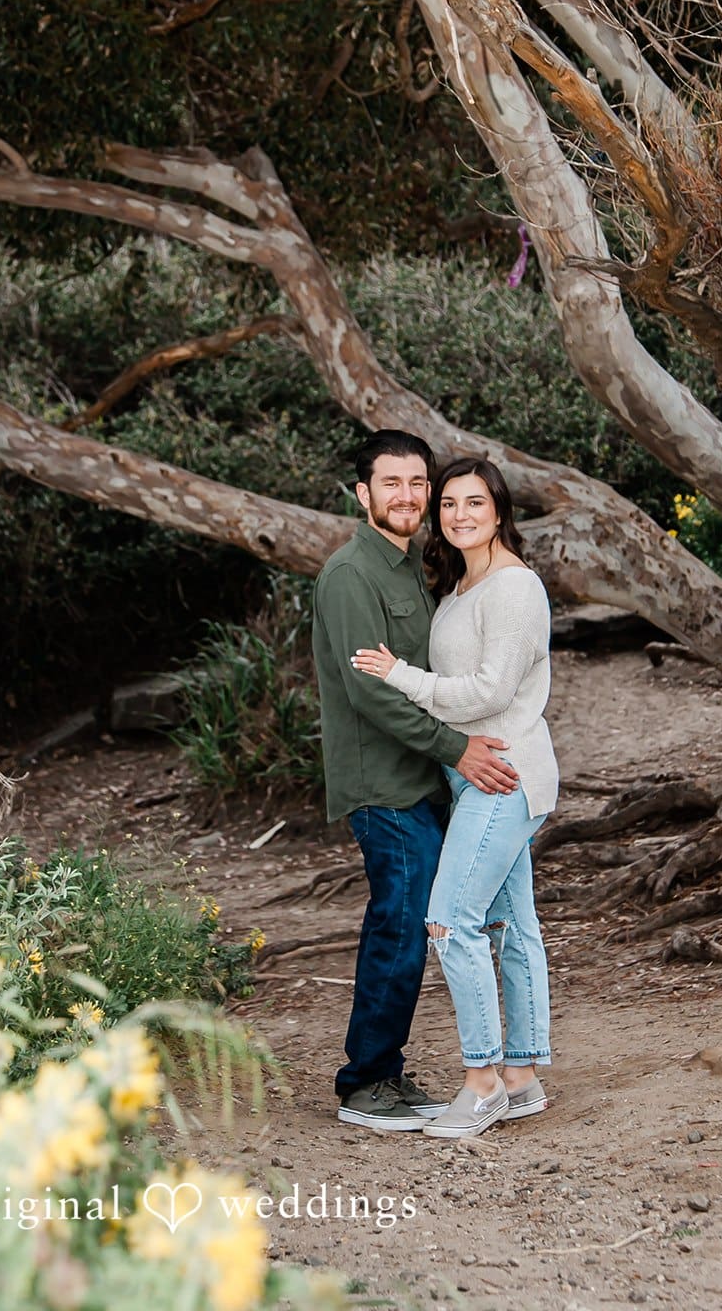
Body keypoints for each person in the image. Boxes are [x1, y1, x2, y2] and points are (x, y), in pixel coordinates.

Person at [312, 430, 521, 1131]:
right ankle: (365, 1082)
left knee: (414, 924)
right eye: (390, 484)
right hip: (382, 784)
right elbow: (370, 694)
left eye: (416, 484)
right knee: (400, 924)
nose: (407, 497)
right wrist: (458, 750)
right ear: (361, 494)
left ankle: (387, 1074)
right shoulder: (350, 576)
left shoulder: (410, 567)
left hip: (420, 780)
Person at [352, 456, 557, 1138]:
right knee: (510, 925)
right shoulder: (462, 587)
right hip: (474, 775)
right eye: (448, 504)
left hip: (504, 772)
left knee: (448, 921)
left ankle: (481, 1081)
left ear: (499, 511)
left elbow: (492, 692)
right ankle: (523, 1077)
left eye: (474, 502)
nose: (459, 514)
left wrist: (401, 676)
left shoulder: (514, 588)